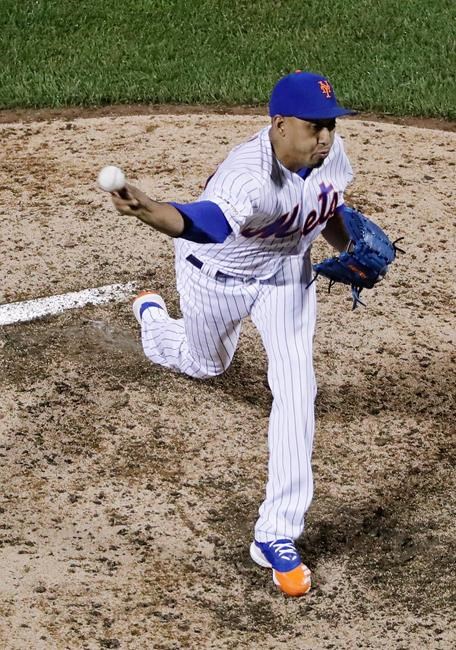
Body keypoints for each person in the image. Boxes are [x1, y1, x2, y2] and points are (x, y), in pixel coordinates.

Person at [109, 71, 356, 597]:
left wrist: (348, 247)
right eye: (314, 127)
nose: (325, 138)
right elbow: (206, 222)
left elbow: (327, 207)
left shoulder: (330, 155)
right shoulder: (247, 176)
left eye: (331, 126)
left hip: (285, 277)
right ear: (280, 124)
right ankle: (155, 323)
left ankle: (276, 533)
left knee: (298, 388)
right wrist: (150, 210)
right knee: (206, 363)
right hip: (216, 275)